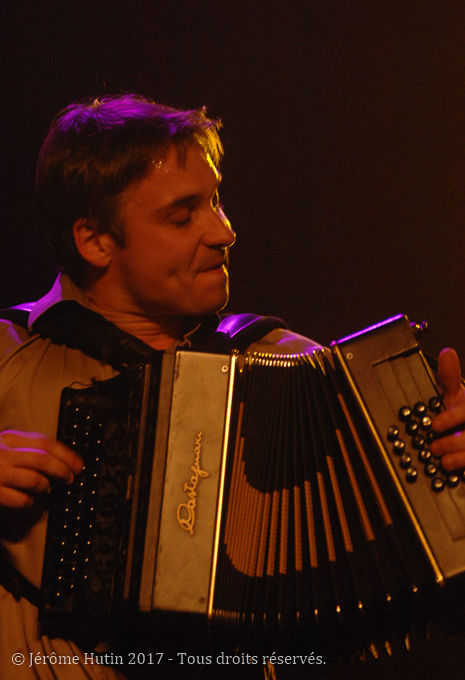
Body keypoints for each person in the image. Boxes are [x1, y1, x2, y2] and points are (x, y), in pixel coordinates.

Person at [0, 94, 320, 679]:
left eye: (215, 200)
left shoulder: (287, 364)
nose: (225, 232)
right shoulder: (7, 356)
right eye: (183, 216)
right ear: (95, 241)